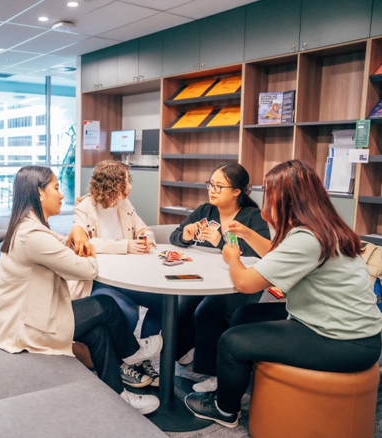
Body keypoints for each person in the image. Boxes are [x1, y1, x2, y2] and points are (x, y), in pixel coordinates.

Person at [184, 160, 382, 428]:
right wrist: (247, 233)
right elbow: (277, 256)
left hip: (342, 340)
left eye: (270, 193)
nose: (266, 201)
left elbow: (244, 283)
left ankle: (225, 409)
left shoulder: (306, 239)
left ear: (287, 198)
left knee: (232, 341)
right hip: (350, 329)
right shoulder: (323, 228)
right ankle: (241, 382)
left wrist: (232, 257)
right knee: (245, 313)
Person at [0, 165, 161, 415]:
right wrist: (87, 250)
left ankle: (117, 395)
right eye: (57, 188)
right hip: (23, 326)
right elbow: (86, 269)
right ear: (39, 194)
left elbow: (57, 242)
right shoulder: (31, 235)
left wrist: (74, 237)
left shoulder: (30, 226)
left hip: (25, 316)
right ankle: (133, 352)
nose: (62, 195)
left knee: (99, 331)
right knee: (106, 306)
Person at [169, 162, 270, 393]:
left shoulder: (253, 217)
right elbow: (176, 235)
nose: (212, 190)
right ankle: (186, 350)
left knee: (207, 312)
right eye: (210, 184)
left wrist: (221, 241)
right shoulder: (206, 210)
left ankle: (215, 372)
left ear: (237, 191)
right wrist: (184, 236)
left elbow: (258, 254)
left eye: (219, 186)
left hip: (241, 281)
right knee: (183, 309)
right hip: (207, 278)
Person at [71, 160, 162, 388]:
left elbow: (144, 228)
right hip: (102, 277)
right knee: (127, 312)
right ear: (111, 184)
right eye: (125, 181)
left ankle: (142, 360)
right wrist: (125, 245)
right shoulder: (85, 208)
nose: (130, 186)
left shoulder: (124, 203)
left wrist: (145, 238)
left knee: (164, 304)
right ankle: (123, 362)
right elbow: (87, 243)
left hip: (131, 275)